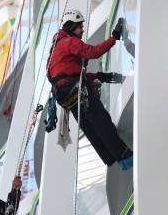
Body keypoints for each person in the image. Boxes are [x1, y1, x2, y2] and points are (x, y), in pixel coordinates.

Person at [47, 9, 133, 170]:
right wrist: (114, 37)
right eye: (80, 27)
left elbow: (69, 74)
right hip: (75, 90)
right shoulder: (69, 42)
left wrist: (99, 75)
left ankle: (109, 157)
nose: (82, 30)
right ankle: (124, 155)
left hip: (64, 95)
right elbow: (93, 52)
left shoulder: (56, 47)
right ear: (71, 26)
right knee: (101, 119)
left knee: (89, 125)